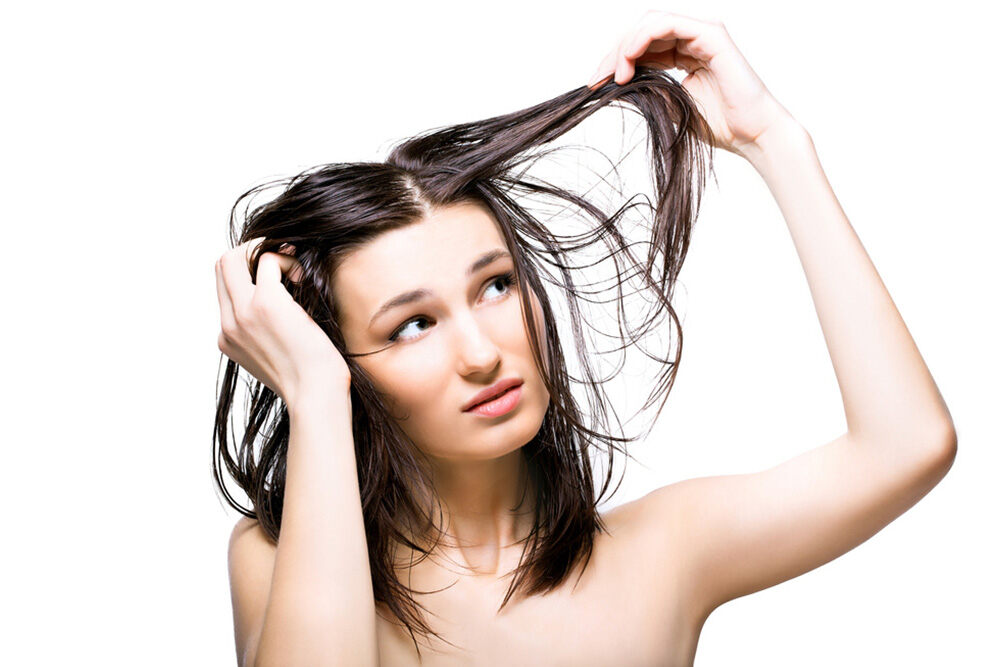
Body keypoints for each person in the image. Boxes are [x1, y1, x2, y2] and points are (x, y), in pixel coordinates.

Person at [213, 10, 957, 667]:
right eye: (412, 325)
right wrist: (314, 393)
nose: (481, 353)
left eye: (495, 285)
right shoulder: (273, 559)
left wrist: (774, 141)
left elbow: (908, 443)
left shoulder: (664, 553)